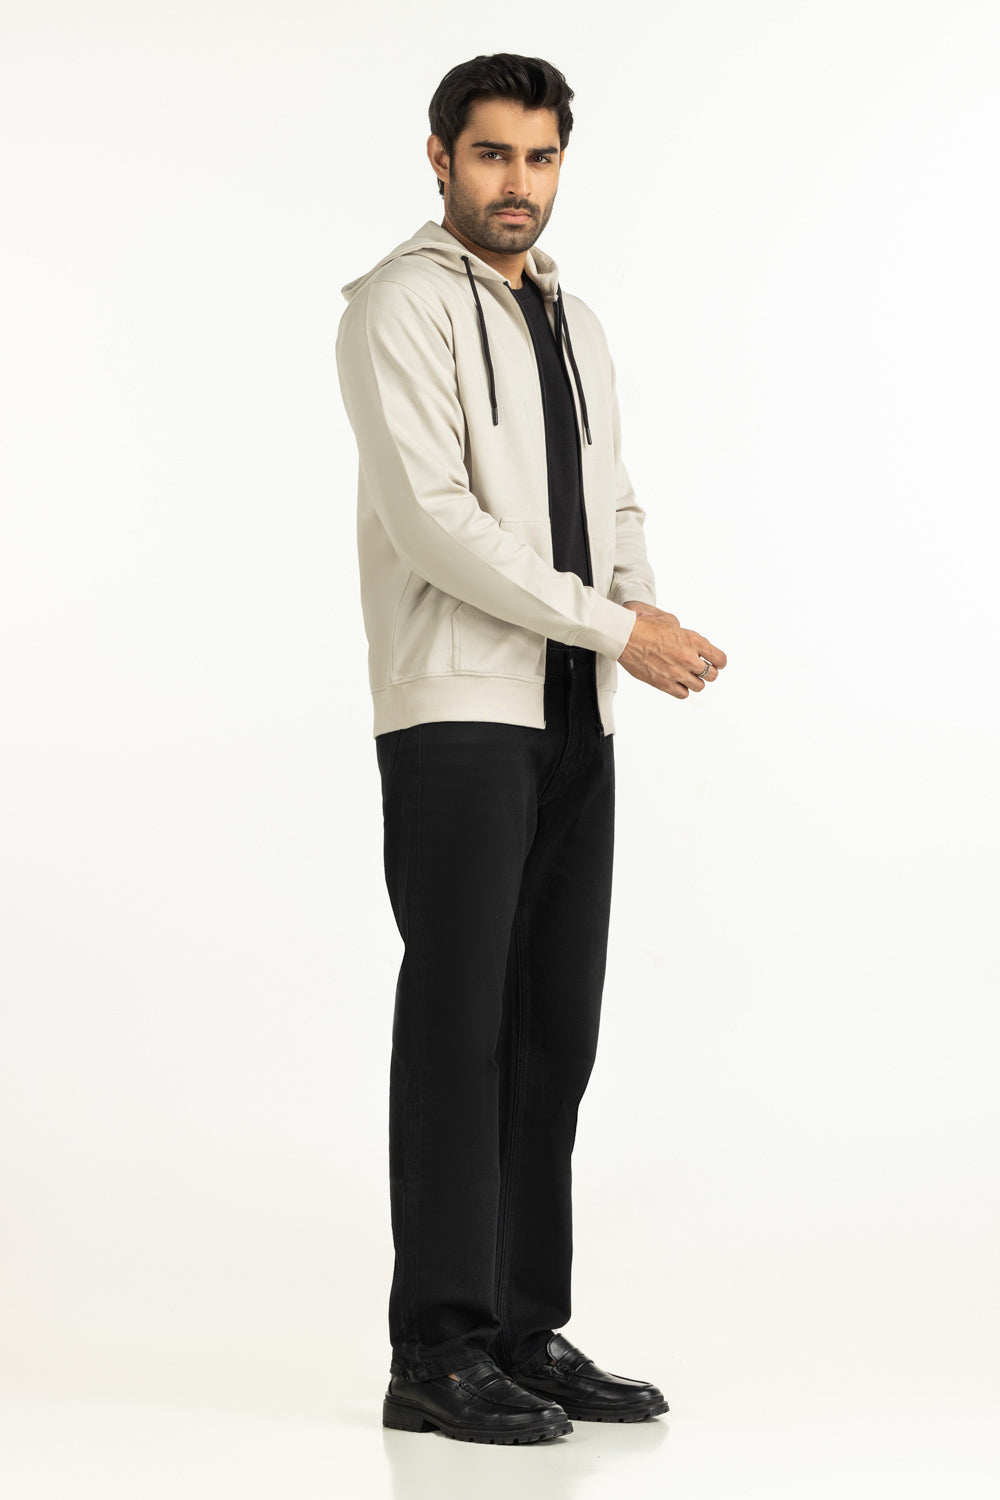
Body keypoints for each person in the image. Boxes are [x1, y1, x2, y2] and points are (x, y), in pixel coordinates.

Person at [336, 52, 727, 1445]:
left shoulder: (574, 319)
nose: (518, 183)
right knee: (461, 1026)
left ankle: (519, 1328)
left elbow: (611, 497)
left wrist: (635, 615)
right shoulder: (398, 304)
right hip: (457, 709)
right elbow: (435, 521)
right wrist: (619, 626)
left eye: (540, 157)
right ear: (439, 156)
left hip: (572, 708)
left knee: (553, 1026)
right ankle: (434, 1350)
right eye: (492, 154)